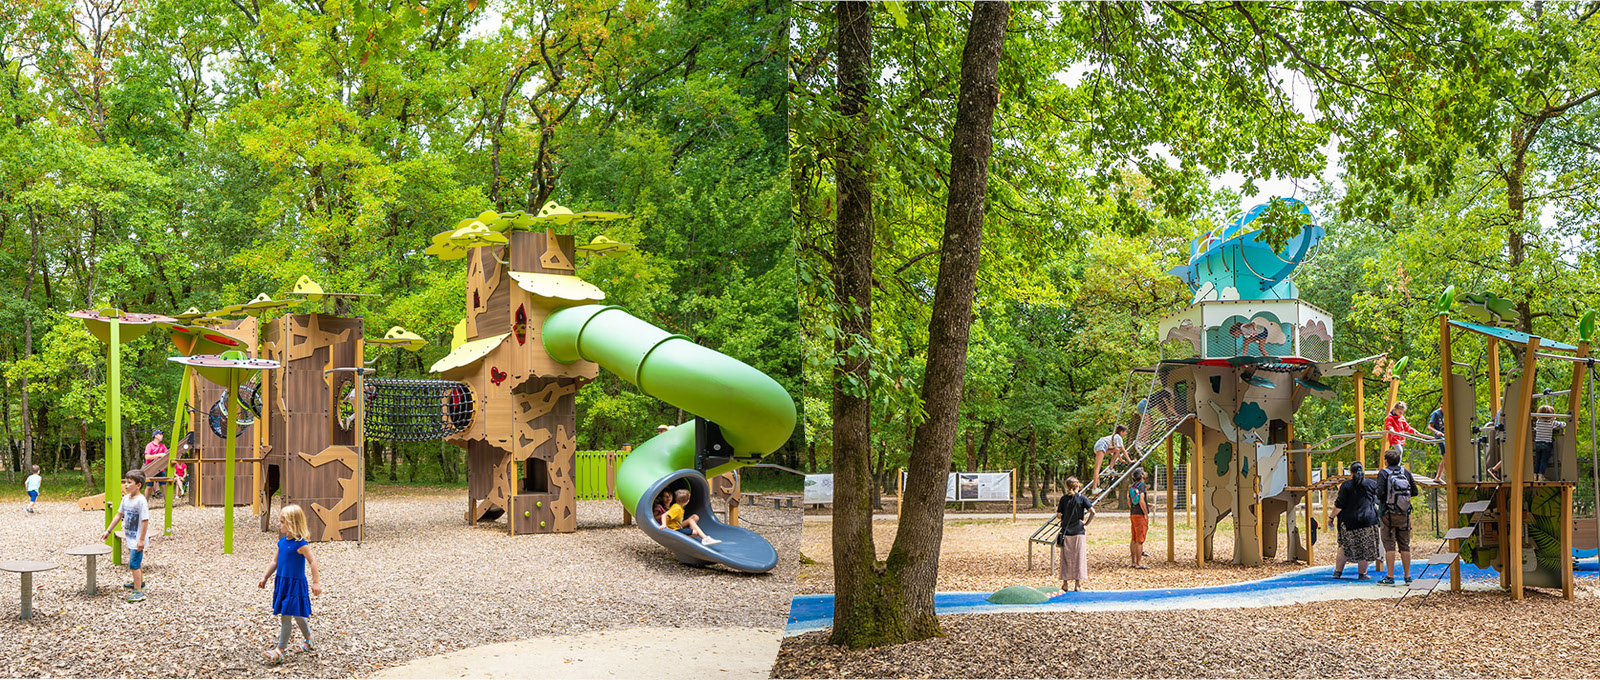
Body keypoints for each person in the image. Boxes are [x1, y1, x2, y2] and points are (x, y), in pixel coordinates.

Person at [258, 504, 322, 664]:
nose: (279, 525)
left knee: (286, 615)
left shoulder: (301, 545)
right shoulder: (281, 542)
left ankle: (280, 650)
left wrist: (316, 582)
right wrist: (265, 577)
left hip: (295, 586)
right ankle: (309, 638)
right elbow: (275, 562)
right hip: (283, 583)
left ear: (292, 524)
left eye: (282, 522)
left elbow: (313, 561)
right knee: (297, 615)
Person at [100, 470, 151, 602]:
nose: (126, 485)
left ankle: (138, 591)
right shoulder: (125, 499)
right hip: (130, 537)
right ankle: (140, 583)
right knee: (137, 562)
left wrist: (141, 540)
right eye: (125, 482)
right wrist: (108, 531)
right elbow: (119, 515)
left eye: (129, 483)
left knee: (133, 564)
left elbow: (145, 521)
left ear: (138, 485)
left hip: (137, 539)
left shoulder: (141, 501)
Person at [1375, 447, 1418, 585]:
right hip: (1404, 514)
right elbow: (1415, 491)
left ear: (1386, 461)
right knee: (1405, 545)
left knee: (1389, 545)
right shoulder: (1406, 472)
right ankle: (1407, 577)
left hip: (1388, 514)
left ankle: (1390, 576)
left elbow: (1380, 493)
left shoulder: (1384, 473)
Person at [1330, 462, 1380, 580]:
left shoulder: (1346, 485)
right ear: (1363, 471)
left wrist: (1331, 518)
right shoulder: (1371, 484)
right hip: (1367, 520)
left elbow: (1339, 505)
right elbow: (1379, 498)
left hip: (1349, 521)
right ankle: (1362, 574)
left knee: (1344, 546)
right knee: (1365, 547)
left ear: (1350, 472)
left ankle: (1338, 572)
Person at [1055, 476, 1096, 591]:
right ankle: (1077, 584)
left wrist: (1065, 516)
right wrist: (1086, 523)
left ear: (1066, 486)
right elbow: (1093, 511)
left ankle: (1065, 583)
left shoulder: (1063, 499)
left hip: (1066, 532)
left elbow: (1059, 515)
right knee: (1079, 558)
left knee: (1066, 559)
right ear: (1078, 486)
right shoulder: (1082, 498)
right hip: (1079, 531)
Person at [1532, 404, 1566, 481]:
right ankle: (1541, 476)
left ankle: (1534, 475)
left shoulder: (1538, 422)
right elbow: (1563, 424)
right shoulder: (1552, 423)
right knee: (1544, 460)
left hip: (1538, 443)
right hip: (1546, 444)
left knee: (1537, 460)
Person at [1127, 468, 1150, 569]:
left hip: (1133, 514)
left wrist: (1133, 509)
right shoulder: (1142, 486)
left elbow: (1129, 501)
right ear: (1142, 476)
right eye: (1143, 472)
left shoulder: (1132, 486)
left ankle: (1133, 562)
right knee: (1140, 540)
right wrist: (1145, 513)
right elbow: (1141, 500)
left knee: (1134, 538)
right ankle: (1139, 563)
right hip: (1140, 515)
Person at [143, 430, 168, 499]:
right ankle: (145, 503)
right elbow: (147, 457)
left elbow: (167, 454)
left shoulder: (162, 446)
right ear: (155, 436)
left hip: (160, 469)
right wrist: (159, 455)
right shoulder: (149, 445)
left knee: (164, 486)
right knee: (149, 487)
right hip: (151, 469)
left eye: (162, 434)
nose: (162, 436)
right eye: (160, 434)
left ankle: (167, 503)